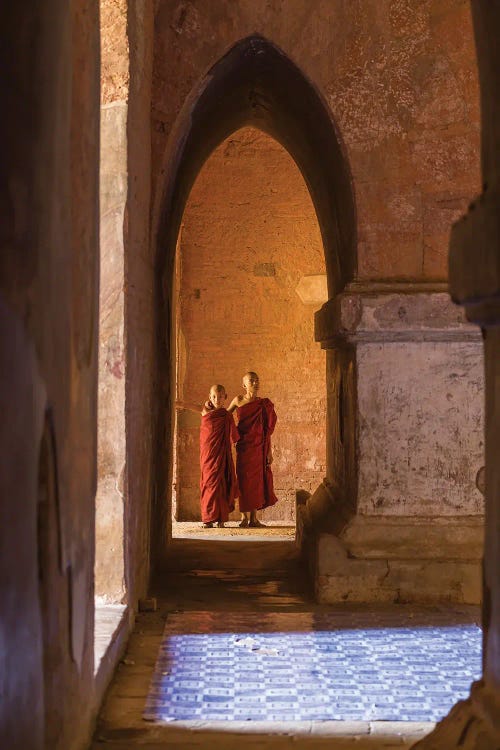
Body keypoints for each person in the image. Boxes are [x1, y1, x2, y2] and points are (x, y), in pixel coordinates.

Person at [177, 385, 238, 529]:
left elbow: (234, 436)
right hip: (208, 455)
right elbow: (187, 405)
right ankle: (208, 518)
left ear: (225, 397)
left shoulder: (226, 415)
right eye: (214, 396)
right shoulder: (205, 410)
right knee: (208, 483)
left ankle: (221, 519)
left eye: (221, 396)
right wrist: (176, 403)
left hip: (221, 454)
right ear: (210, 397)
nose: (217, 399)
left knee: (221, 483)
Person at [228, 372, 278, 528]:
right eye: (251, 380)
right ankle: (243, 517)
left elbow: (267, 431)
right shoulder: (238, 400)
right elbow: (225, 417)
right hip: (243, 446)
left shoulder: (263, 404)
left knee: (256, 481)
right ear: (244, 385)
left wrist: (269, 452)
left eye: (257, 380)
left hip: (259, 447)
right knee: (243, 481)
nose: (255, 383)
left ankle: (254, 519)